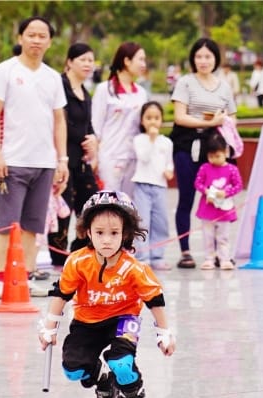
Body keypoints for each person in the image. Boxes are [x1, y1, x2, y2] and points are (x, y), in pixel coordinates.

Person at [38, 190, 176, 398]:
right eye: (99, 232)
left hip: (124, 319)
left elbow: (154, 298)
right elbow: (61, 294)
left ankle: (134, 397)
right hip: (86, 321)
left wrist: (164, 333)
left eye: (114, 233)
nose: (106, 240)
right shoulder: (78, 262)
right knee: (73, 369)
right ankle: (104, 380)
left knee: (121, 362)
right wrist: (48, 329)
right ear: (88, 232)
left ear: (126, 234)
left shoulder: (133, 268)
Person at [0, 16, 68, 300]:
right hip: (12, 161)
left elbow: (59, 121)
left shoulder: (53, 77)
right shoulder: (4, 71)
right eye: (30, 34)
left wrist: (62, 160)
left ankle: (25, 275)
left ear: (49, 41)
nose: (36, 40)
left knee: (33, 226)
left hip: (44, 162)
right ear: (20, 37)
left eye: (41, 35)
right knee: (6, 224)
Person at [169, 37, 236, 269]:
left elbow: (231, 117)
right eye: (199, 56)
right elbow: (179, 116)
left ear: (216, 58)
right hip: (187, 145)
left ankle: (220, 252)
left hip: (214, 150)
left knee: (218, 197)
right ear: (193, 59)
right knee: (186, 199)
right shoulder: (185, 83)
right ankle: (185, 251)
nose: (203, 61)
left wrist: (220, 123)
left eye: (208, 56)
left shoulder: (224, 86)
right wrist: (209, 121)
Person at [47, 42, 99, 268]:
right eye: (83, 60)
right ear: (69, 62)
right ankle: (58, 257)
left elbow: (87, 124)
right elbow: (58, 122)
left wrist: (94, 140)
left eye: (91, 60)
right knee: (63, 208)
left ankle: (80, 248)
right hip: (63, 157)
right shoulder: (60, 86)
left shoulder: (85, 92)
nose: (88, 64)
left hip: (82, 161)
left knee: (91, 205)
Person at [91, 41, 148, 198]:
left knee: (129, 207)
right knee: (109, 204)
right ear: (127, 61)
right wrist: (94, 158)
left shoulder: (141, 93)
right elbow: (95, 127)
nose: (144, 64)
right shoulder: (105, 89)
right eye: (140, 59)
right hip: (110, 157)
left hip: (135, 158)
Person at [132, 101, 173, 271]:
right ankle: (142, 256)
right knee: (143, 222)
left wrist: (169, 171)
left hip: (160, 187)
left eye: (156, 118)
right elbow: (144, 158)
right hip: (142, 185)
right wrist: (151, 139)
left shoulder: (167, 142)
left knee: (160, 222)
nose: (153, 122)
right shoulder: (139, 140)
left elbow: (168, 162)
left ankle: (158, 256)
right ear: (142, 120)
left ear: (162, 120)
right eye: (148, 118)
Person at [193, 133, 242, 270]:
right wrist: (207, 191)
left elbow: (238, 186)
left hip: (224, 211)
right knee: (208, 236)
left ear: (225, 152)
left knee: (223, 236)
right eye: (211, 156)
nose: (214, 160)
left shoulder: (232, 169)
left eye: (217, 156)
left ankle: (224, 258)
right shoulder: (205, 168)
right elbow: (197, 183)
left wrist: (226, 193)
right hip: (208, 209)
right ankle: (209, 258)